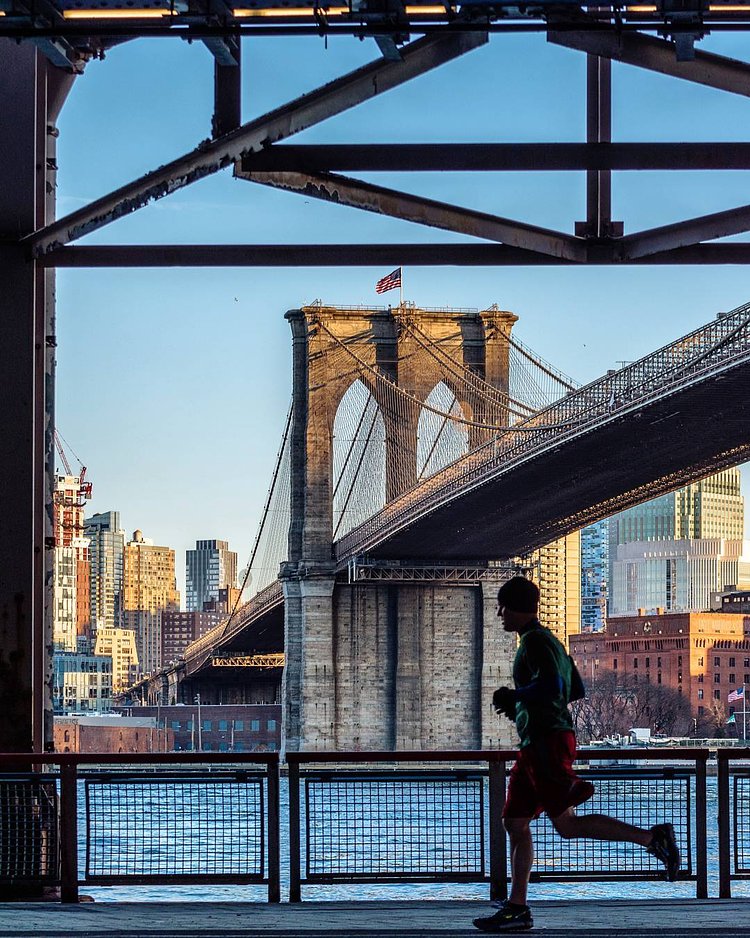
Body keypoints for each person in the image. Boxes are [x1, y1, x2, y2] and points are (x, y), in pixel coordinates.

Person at [473, 576, 680, 934]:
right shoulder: (550, 641)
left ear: (517, 607)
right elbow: (574, 689)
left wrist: (517, 697)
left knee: (565, 826)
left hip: (546, 742)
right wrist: (528, 706)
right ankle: (517, 907)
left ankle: (652, 839)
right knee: (514, 822)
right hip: (538, 740)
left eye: (502, 607)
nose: (498, 614)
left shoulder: (536, 641)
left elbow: (554, 686)